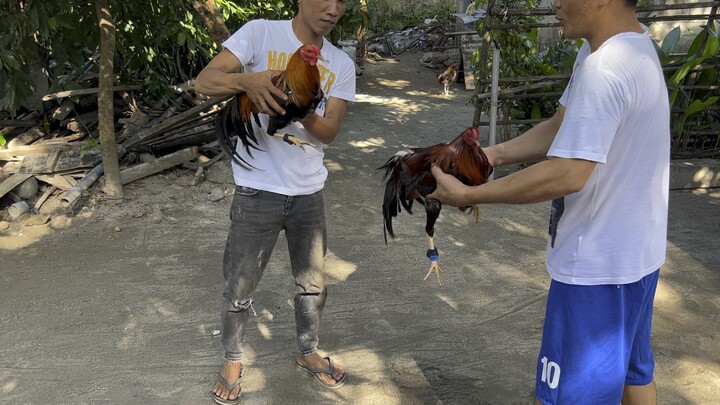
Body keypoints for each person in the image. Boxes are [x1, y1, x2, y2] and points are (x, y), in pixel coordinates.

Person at [428, 0, 668, 403]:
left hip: (595, 268)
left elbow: (568, 173)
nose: (555, 2)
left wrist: (471, 194)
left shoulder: (604, 68)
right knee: (633, 372)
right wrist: (492, 156)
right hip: (637, 258)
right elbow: (561, 125)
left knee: (564, 397)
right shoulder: (631, 45)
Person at [194, 0, 356, 403]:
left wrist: (298, 109)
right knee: (240, 282)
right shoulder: (259, 32)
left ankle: (308, 351)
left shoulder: (342, 64)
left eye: (343, 1)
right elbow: (205, 81)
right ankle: (233, 358)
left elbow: (330, 130)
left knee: (313, 284)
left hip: (308, 193)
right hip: (256, 190)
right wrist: (247, 83)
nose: (334, 8)